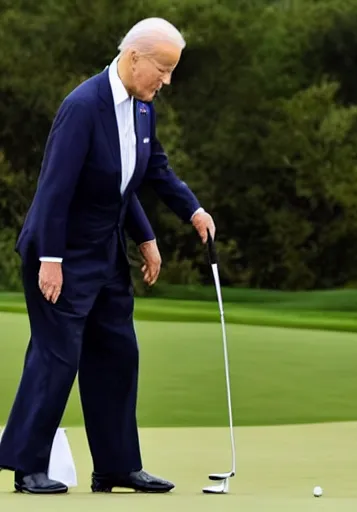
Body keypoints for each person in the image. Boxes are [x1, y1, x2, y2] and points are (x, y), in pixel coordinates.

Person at [0, 17, 215, 494]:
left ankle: (117, 466)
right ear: (133, 57)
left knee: (118, 353)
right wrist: (50, 260)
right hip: (62, 252)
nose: (167, 80)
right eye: (162, 69)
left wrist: (184, 215)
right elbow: (55, 189)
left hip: (106, 252)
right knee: (55, 357)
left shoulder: (142, 106)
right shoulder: (82, 107)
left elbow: (140, 173)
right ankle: (28, 466)